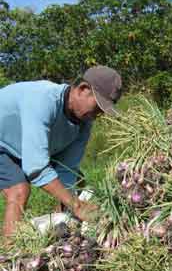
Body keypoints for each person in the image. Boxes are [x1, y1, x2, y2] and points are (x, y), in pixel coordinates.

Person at [0, 66, 123, 240]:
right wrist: (77, 206)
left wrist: (68, 214)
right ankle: (9, 259)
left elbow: (67, 170)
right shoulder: (42, 100)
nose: (98, 115)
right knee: (18, 191)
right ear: (82, 89)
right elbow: (36, 168)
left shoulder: (83, 123)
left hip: (20, 145)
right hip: (3, 141)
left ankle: (60, 237)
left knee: (77, 182)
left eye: (102, 111)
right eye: (98, 107)